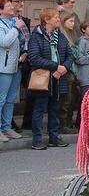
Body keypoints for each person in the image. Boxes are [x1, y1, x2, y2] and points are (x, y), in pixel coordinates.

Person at [28, 8, 73, 150]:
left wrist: (64, 68)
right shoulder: (36, 36)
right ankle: (37, 140)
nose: (58, 19)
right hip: (43, 78)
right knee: (39, 109)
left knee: (55, 108)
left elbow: (70, 55)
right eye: (55, 17)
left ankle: (54, 137)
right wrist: (55, 66)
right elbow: (34, 58)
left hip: (58, 78)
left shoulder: (60, 36)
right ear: (46, 20)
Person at [0, 0, 24, 142]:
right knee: (1, 99)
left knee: (10, 100)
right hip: (3, 68)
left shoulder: (11, 22)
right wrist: (16, 28)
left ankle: (6, 127)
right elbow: (4, 42)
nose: (12, 8)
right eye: (8, 6)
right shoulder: (2, 24)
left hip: (15, 66)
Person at [6, 0, 31, 131]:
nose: (21, 4)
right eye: (18, 1)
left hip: (25, 60)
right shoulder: (7, 20)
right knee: (9, 95)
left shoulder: (24, 20)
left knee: (30, 92)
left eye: (23, 1)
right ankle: (8, 122)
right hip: (11, 60)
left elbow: (28, 39)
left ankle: (28, 122)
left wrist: (26, 52)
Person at [58, 9, 81, 133]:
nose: (73, 23)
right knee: (66, 98)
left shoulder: (71, 34)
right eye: (71, 21)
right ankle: (63, 124)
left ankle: (67, 122)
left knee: (72, 97)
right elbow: (69, 54)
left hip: (73, 70)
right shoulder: (62, 36)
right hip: (66, 70)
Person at [74, 19, 89, 113]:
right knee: (86, 102)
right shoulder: (82, 42)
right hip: (85, 77)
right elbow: (79, 59)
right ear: (83, 30)